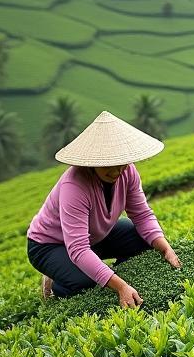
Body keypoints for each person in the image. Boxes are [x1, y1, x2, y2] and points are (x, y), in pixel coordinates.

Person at [27, 110, 180, 307]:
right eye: (109, 164)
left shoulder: (128, 171)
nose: (117, 170)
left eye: (122, 163)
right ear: (93, 162)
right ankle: (55, 283)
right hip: (51, 245)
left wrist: (165, 247)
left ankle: (99, 268)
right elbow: (78, 247)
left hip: (95, 235)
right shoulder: (74, 186)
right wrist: (121, 287)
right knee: (84, 281)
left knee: (145, 240)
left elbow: (141, 214)